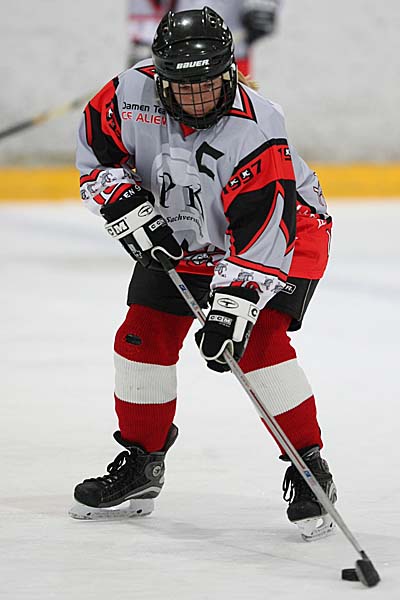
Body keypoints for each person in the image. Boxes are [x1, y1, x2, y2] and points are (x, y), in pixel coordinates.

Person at [70, 7, 336, 541]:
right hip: (186, 230)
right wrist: (123, 202)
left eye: (208, 84)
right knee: (140, 338)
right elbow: (99, 158)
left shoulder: (258, 127)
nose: (196, 99)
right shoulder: (126, 93)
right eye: (182, 86)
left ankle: (310, 470)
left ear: (230, 71)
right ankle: (142, 464)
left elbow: (262, 231)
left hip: (285, 234)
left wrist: (233, 307)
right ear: (159, 74)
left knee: (255, 346)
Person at [126, 0, 281, 75]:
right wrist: (146, 40)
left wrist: (264, 3)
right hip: (177, 52)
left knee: (236, 119)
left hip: (233, 48)